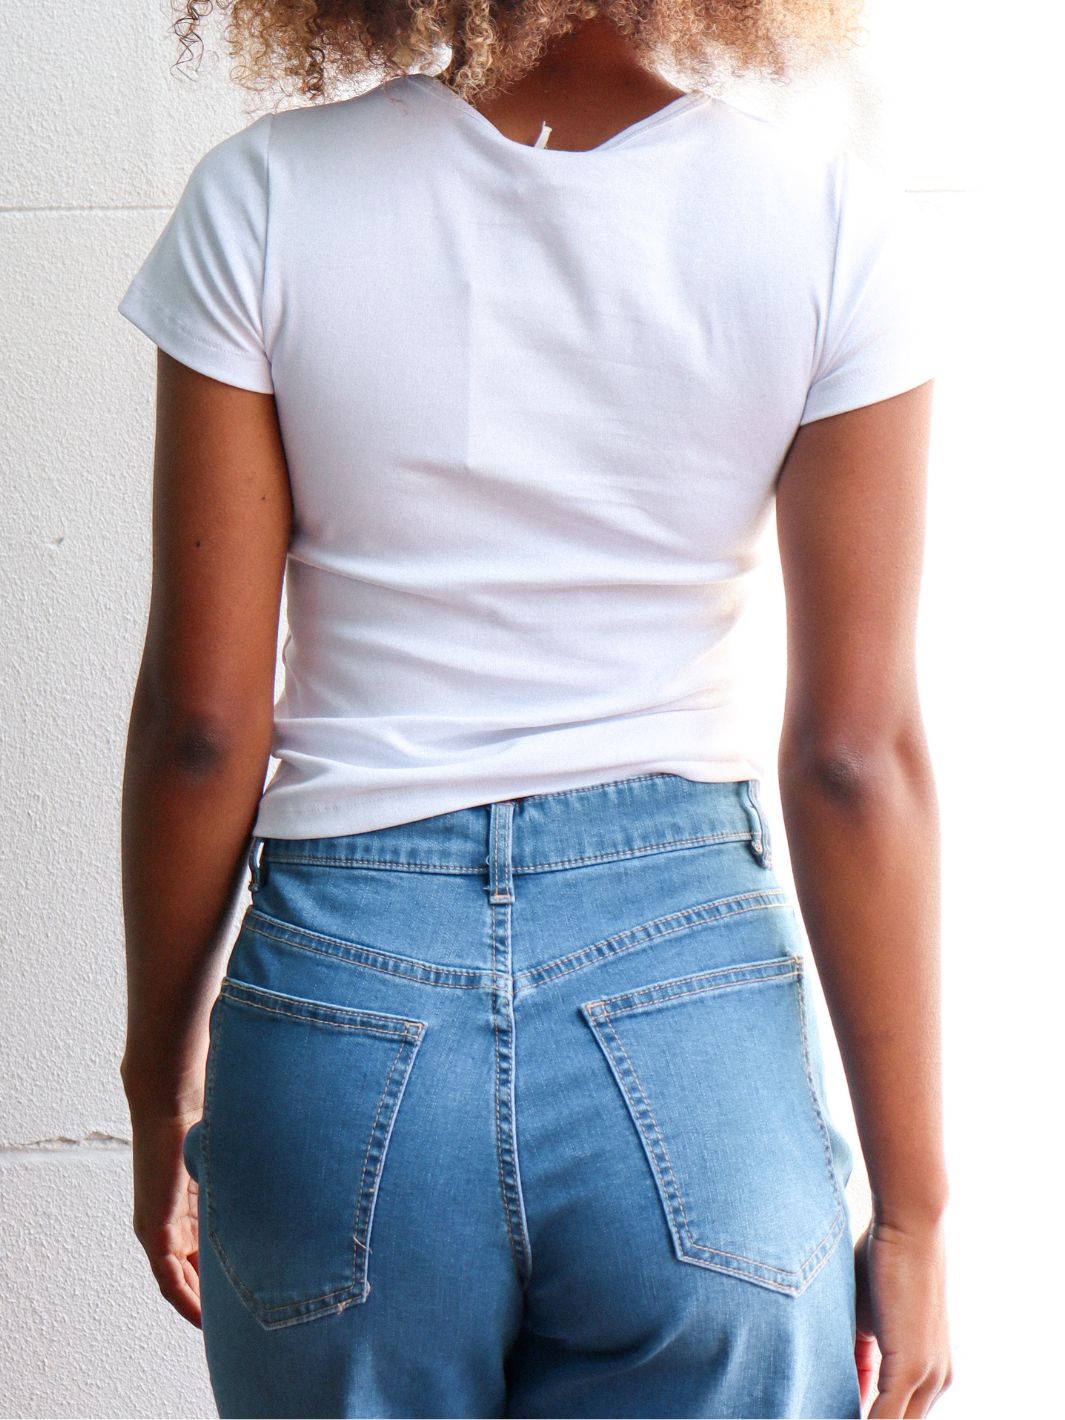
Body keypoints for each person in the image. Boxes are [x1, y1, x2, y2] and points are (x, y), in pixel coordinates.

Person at [116, 3, 952, 1417]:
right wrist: (917, 1218)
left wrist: (157, 1083)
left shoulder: (262, 198)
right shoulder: (822, 222)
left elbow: (203, 730)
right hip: (690, 1020)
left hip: (344, 1008)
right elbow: (852, 759)